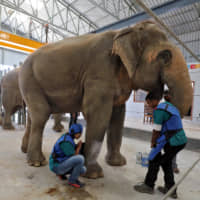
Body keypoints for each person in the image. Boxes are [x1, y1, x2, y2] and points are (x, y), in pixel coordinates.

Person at [134, 92, 187, 199]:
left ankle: (149, 186)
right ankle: (171, 189)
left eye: (148, 103)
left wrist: (153, 143)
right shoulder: (168, 106)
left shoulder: (160, 110)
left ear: (153, 100)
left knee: (154, 160)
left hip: (174, 141)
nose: (148, 105)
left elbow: (156, 131)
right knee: (166, 163)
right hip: (178, 140)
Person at [49, 123, 86, 188]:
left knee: (83, 169)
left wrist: (77, 146)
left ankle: (61, 173)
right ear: (76, 133)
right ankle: (72, 181)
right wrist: (79, 147)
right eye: (80, 133)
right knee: (80, 159)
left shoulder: (68, 137)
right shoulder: (66, 142)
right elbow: (75, 156)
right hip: (56, 166)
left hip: (59, 162)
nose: (80, 135)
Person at [164, 91, 180, 174]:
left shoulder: (174, 107)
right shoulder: (164, 106)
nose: (167, 96)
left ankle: (173, 166)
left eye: (168, 95)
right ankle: (169, 165)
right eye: (165, 95)